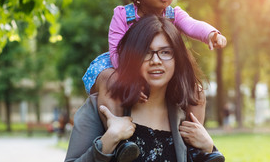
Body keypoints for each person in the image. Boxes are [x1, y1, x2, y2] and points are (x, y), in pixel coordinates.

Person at [65, 15, 225, 162]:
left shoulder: (186, 113)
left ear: (177, 59)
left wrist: (209, 148)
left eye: (165, 52)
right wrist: (109, 140)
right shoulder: (101, 108)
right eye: (146, 52)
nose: (156, 60)